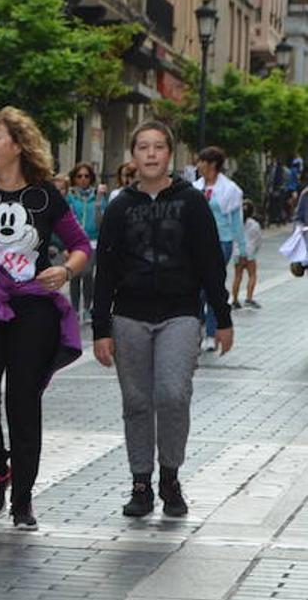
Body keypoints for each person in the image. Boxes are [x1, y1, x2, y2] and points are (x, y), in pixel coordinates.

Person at [92, 121, 233, 519]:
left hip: (180, 313)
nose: (151, 154)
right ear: (133, 155)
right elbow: (106, 271)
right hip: (130, 315)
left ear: (170, 154)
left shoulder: (191, 202)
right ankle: (141, 482)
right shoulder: (120, 206)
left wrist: (222, 318)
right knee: (136, 401)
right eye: (143, 147)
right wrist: (101, 328)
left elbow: (210, 264)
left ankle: (170, 476)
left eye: (158, 147)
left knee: (172, 394)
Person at [0, 107, 90, 530]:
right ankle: (0, 470)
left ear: (17, 144)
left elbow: (80, 246)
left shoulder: (45, 196)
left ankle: (23, 499)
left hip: (32, 308)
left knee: (23, 400)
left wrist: (66, 270)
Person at [192, 146, 246, 352]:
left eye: (201, 162)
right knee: (196, 289)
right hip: (197, 243)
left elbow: (236, 221)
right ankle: (195, 328)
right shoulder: (194, 187)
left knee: (212, 286)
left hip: (221, 242)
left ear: (212, 164)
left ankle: (211, 332)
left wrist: (242, 249)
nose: (198, 166)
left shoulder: (230, 190)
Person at [64, 162, 102, 322]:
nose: (83, 179)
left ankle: (87, 308)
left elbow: (102, 220)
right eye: (79, 176)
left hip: (92, 241)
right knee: (74, 275)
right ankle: (74, 309)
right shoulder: (70, 197)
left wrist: (100, 202)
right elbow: (65, 221)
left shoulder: (98, 196)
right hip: (74, 241)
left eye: (86, 176)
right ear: (74, 178)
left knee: (87, 274)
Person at [231, 206, 262, 309]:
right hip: (250, 253)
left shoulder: (235, 223)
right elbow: (258, 239)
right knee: (252, 275)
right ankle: (249, 298)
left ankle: (235, 300)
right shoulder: (255, 224)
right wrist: (255, 251)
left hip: (237, 252)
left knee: (237, 277)